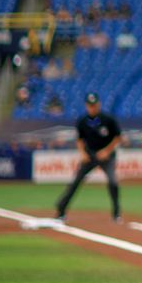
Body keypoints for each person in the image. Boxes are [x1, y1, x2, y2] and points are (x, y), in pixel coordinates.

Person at [54, 93, 123, 223]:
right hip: (90, 155)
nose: (92, 108)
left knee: (113, 182)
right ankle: (61, 211)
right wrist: (83, 153)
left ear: (99, 104)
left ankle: (116, 213)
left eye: (95, 105)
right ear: (86, 106)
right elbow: (79, 139)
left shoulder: (108, 119)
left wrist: (106, 151)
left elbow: (118, 137)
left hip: (106, 156)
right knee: (75, 182)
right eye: (90, 105)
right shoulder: (82, 121)